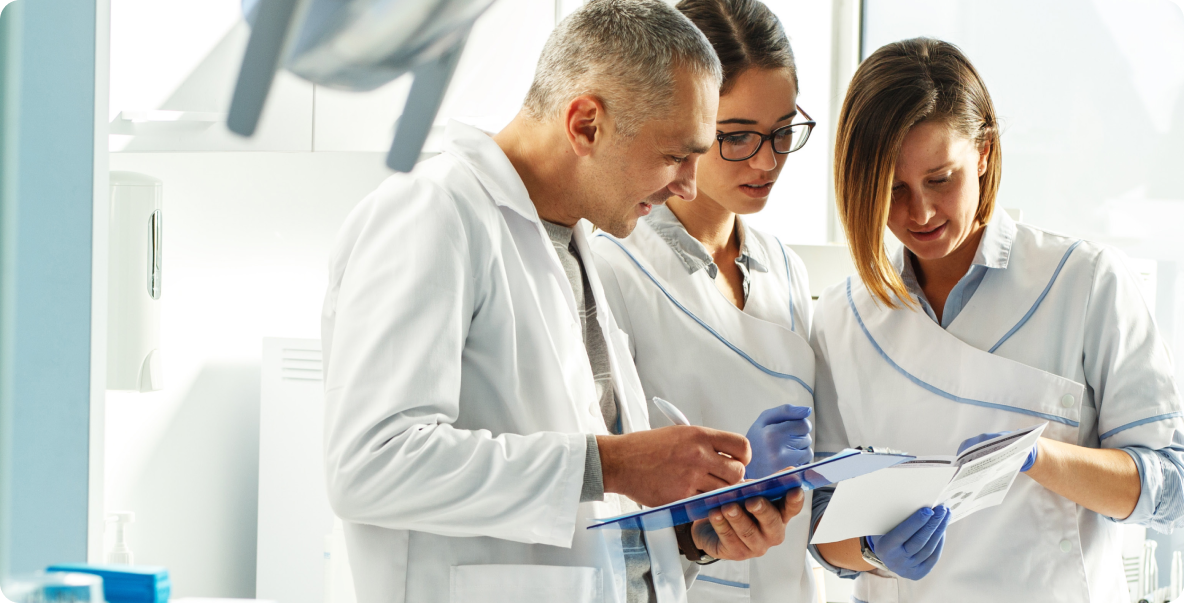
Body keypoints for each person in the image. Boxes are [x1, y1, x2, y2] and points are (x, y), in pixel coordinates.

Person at [320, 2, 805, 602]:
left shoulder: (574, 242)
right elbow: (371, 465)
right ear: (586, 125)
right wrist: (617, 464)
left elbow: (584, 527)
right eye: (676, 155)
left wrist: (690, 537)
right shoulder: (431, 214)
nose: (688, 183)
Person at [808, 37, 1184, 602]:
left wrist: (1038, 457)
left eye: (940, 178)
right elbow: (819, 520)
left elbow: (1169, 489)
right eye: (892, 189)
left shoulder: (1084, 283)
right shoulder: (842, 318)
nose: (921, 213)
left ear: (983, 151)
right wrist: (871, 552)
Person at [591, 0, 818, 600]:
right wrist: (718, 502)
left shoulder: (785, 269)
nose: (767, 161)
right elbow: (596, 497)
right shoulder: (613, 263)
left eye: (783, 131)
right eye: (737, 136)